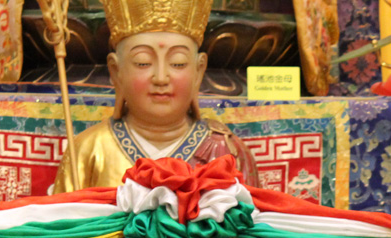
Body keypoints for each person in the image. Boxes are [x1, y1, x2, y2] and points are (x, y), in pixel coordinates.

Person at [50, 0, 258, 193]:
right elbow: (62, 219)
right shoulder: (89, 149)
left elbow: (253, 217)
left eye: (177, 63)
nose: (160, 78)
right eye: (143, 62)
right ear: (115, 71)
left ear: (199, 71)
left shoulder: (227, 151)